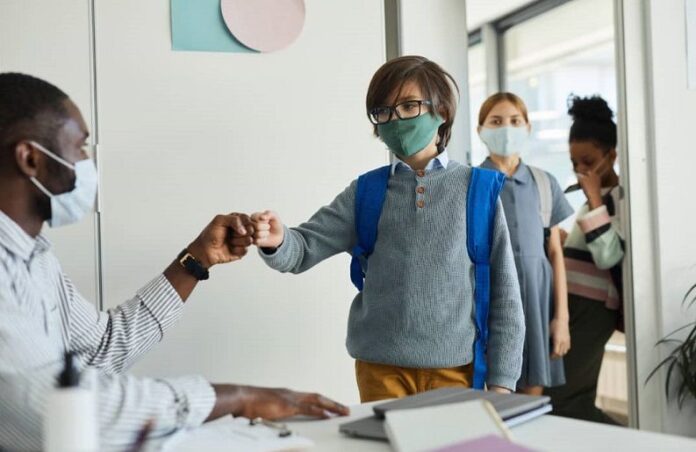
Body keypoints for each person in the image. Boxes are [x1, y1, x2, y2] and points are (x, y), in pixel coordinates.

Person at [0, 72, 348, 451]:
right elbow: (61, 405)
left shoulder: (35, 257)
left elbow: (102, 350)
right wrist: (236, 398)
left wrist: (196, 260)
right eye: (80, 148)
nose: (87, 164)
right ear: (31, 158)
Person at [249, 56, 525, 402]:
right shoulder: (366, 191)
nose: (396, 120)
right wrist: (277, 240)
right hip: (379, 370)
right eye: (384, 112)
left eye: (409, 106)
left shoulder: (478, 190)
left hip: (457, 370)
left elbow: (505, 296)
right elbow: (302, 248)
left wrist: (502, 382)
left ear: (441, 111)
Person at [476, 93, 574, 396]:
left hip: (536, 302)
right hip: (488, 302)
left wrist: (562, 319)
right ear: (481, 130)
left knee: (532, 393)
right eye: (496, 121)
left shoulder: (545, 183)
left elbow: (555, 252)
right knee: (491, 393)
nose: (506, 128)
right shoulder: (472, 183)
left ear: (527, 127)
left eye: (514, 121)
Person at [544, 95, 623, 424]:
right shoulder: (593, 201)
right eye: (575, 163)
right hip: (571, 304)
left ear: (611, 156)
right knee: (565, 394)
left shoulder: (618, 199)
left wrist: (593, 200)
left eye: (588, 162)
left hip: (594, 311)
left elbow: (609, 256)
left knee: (567, 398)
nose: (581, 171)